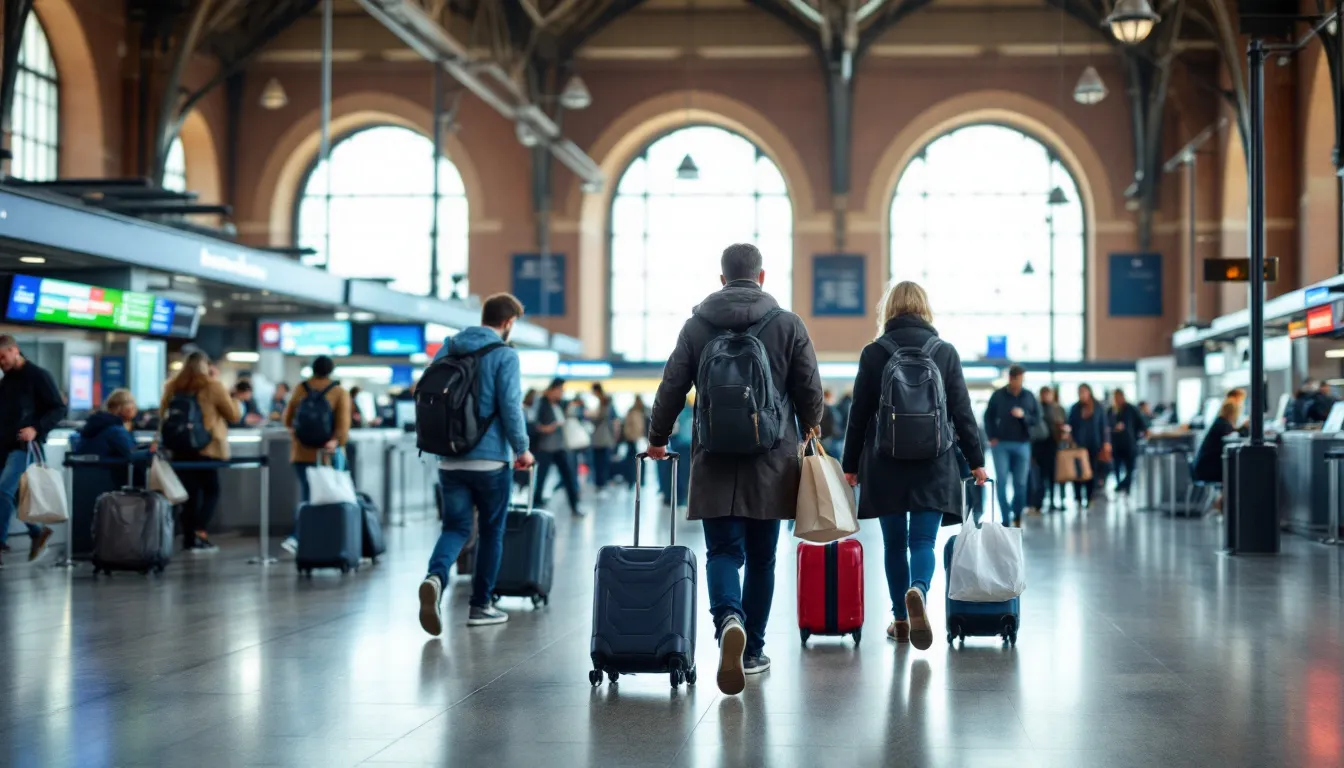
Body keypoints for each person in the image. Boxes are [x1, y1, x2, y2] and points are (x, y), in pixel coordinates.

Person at [646, 242, 824, 695]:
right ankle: (752, 650)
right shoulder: (788, 324)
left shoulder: (697, 325)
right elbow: (809, 387)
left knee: (723, 553)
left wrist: (657, 439)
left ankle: (728, 619)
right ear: (762, 277)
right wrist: (810, 426)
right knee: (763, 559)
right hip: (772, 460)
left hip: (714, 459)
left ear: (722, 279)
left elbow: (672, 385)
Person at [841, 281, 987, 651]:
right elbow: (962, 412)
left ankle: (901, 619)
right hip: (934, 461)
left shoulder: (874, 353)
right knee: (923, 541)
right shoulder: (944, 352)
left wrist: (850, 464)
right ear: (924, 308)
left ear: (888, 310)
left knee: (894, 544)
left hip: (885, 461)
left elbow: (858, 415)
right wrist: (977, 461)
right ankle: (918, 590)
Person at [417, 294, 534, 633]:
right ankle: (480, 606)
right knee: (491, 531)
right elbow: (511, 407)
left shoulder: (449, 347)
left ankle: (436, 577)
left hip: (449, 458)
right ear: (508, 322)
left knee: (455, 528)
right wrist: (522, 449)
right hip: (490, 459)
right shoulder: (504, 355)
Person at [159, 351, 239, 553]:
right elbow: (233, 415)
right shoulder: (213, 386)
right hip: (206, 448)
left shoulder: (172, 386)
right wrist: (234, 397)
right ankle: (199, 531)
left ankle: (188, 538)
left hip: (179, 448)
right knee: (212, 490)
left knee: (189, 495)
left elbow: (163, 415)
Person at [0, 335, 65, 565]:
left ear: (15, 350)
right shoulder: (7, 380)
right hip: (6, 445)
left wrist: (36, 429)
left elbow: (59, 409)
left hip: (25, 446)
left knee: (4, 491)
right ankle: (37, 532)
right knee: (16, 495)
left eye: (3, 357)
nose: (1, 363)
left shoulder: (38, 376)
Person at [280, 356, 353, 555]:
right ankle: (321, 538)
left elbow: (287, 419)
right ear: (331, 370)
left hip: (301, 453)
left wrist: (297, 434)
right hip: (326, 453)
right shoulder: (339, 391)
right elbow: (343, 425)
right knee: (330, 497)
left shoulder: (300, 388)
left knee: (307, 496)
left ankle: (299, 537)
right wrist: (337, 441)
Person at [983, 364, 1040, 527]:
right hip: (1001, 444)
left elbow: (1037, 418)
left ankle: (1017, 513)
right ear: (1010, 378)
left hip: (1022, 444)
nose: (1019, 382)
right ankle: (1006, 517)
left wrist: (1024, 416)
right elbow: (988, 417)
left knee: (1020, 483)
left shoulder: (1028, 396)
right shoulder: (998, 396)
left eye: (1022, 379)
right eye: (1017, 379)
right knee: (1001, 480)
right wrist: (992, 436)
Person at [531, 378, 584, 517]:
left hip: (560, 446)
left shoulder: (560, 404)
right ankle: (536, 506)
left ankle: (574, 506)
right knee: (541, 477)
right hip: (545, 447)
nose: (561, 393)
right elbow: (532, 422)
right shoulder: (541, 403)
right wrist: (545, 428)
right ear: (552, 390)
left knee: (569, 477)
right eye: (559, 390)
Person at [75, 389, 154, 463]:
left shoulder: (99, 424)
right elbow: (131, 454)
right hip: (110, 474)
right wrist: (152, 452)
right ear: (121, 407)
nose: (135, 408)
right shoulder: (116, 430)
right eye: (132, 403)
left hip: (90, 473)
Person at [1066, 383, 1110, 509]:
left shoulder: (1098, 407)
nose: (1082, 395)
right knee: (1077, 472)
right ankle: (1078, 498)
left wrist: (1106, 442)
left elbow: (1103, 426)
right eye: (1080, 393)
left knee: (1091, 472)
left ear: (1089, 392)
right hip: (1078, 445)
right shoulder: (1075, 408)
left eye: (1084, 392)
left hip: (1094, 445)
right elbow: (1070, 425)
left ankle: (1090, 497)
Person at [1030, 386, 1067, 512]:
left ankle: (1055, 501)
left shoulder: (1058, 409)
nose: (1046, 397)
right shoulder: (1037, 409)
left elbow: (1064, 425)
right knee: (1040, 477)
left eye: (1048, 394)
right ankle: (1039, 503)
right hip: (1040, 447)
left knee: (1055, 475)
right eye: (1044, 394)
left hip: (1054, 446)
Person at [1108, 390, 1147, 495]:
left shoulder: (1131, 409)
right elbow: (1106, 425)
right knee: (1116, 467)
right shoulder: (1111, 410)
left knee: (1130, 468)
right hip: (1116, 444)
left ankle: (1124, 486)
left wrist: (1137, 434)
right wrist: (1113, 428)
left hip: (1129, 443)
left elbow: (1141, 423)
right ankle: (1120, 484)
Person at [1193, 398, 1239, 483]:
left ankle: (1225, 495)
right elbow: (1233, 436)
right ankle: (1228, 495)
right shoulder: (1223, 424)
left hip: (1203, 467)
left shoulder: (1220, 422)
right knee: (1237, 471)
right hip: (1207, 470)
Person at [588, 384, 618, 493]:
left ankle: (601, 485)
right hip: (602, 438)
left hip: (601, 438)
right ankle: (601, 484)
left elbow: (609, 421)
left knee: (600, 463)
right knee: (601, 463)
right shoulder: (604, 403)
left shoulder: (604, 404)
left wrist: (590, 416)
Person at [619, 395, 647, 487]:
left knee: (632, 461)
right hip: (638, 439)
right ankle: (639, 480)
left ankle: (632, 480)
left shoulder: (633, 412)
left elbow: (628, 427)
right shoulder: (642, 411)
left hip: (632, 439)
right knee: (639, 460)